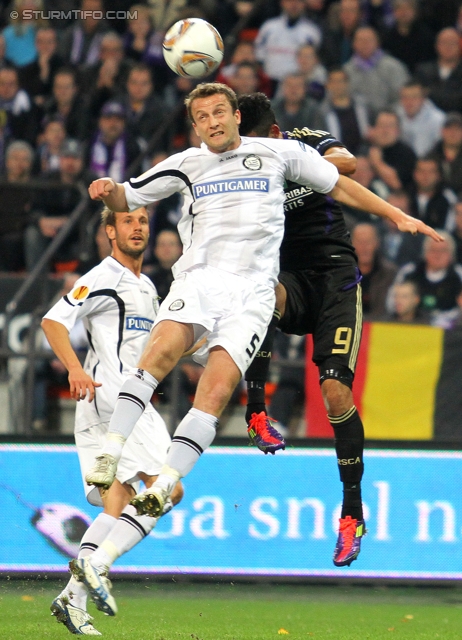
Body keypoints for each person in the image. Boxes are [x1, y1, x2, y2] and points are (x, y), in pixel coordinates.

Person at [82, 83, 441, 584]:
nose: (216, 125)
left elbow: (344, 171)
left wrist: (395, 213)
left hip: (335, 275)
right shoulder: (196, 164)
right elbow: (133, 192)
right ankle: (255, 411)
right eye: (204, 117)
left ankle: (352, 512)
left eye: (224, 116)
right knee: (258, 301)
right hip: (277, 278)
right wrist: (110, 190)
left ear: (251, 125)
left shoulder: (289, 146)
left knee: (335, 390)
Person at [42, 206, 184, 634]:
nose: (137, 227)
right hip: (120, 399)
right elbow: (53, 321)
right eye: (127, 221)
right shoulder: (103, 276)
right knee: (169, 488)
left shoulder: (147, 285)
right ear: (110, 231)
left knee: (116, 504)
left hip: (106, 404)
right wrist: (73, 368)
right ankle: (97, 565)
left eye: (142, 221)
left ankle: (73, 598)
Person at [351, 222, 398, 319]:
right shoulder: (341, 273)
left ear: (377, 243)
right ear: (351, 244)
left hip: (380, 327)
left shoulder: (390, 274)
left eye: (368, 242)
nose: (364, 248)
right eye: (360, 242)